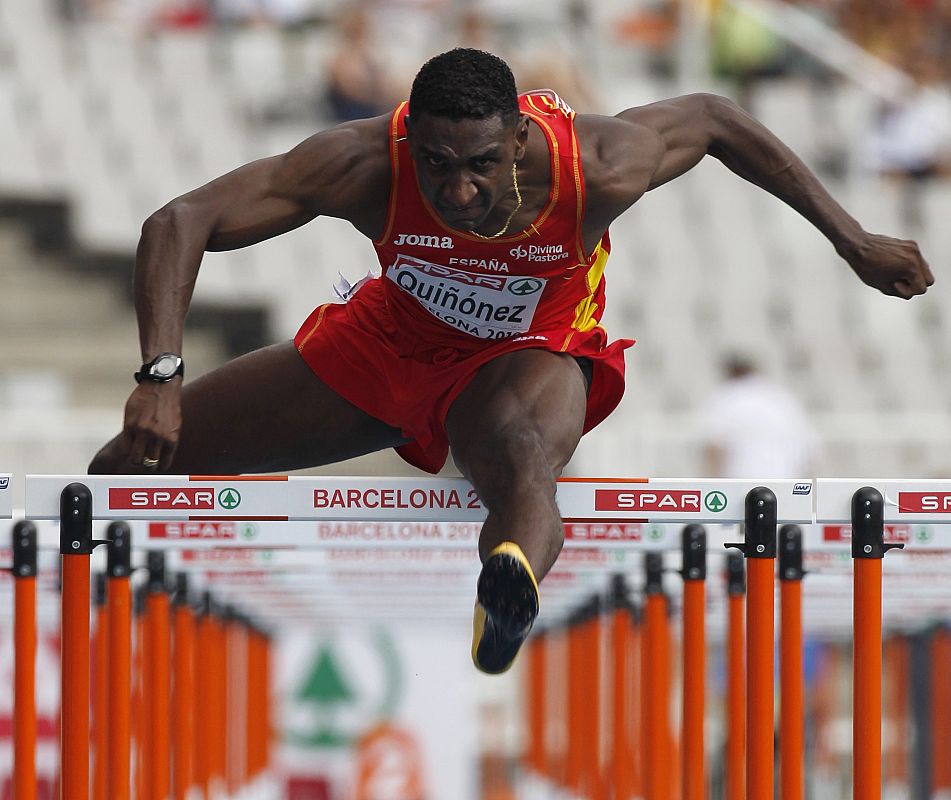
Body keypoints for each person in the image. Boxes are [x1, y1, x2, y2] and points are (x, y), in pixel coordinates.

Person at [89, 48, 934, 674]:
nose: (458, 192)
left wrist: (852, 239)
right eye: (438, 166)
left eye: (483, 166)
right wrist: (158, 375)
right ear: (409, 138)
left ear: (520, 138)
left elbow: (714, 117)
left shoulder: (597, 165)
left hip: (528, 349)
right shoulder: (360, 164)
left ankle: (510, 584)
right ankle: (72, 628)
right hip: (386, 341)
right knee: (129, 466)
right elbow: (180, 220)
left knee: (518, 455)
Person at [702, 354, 817, 479]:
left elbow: (716, 448)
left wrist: (710, 481)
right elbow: (808, 448)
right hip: (784, 478)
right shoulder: (781, 397)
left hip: (742, 479)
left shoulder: (726, 397)